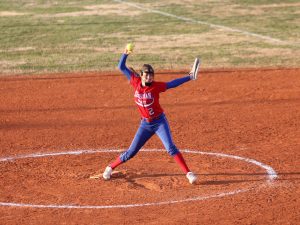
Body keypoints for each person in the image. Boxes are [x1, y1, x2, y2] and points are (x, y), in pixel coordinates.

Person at [102, 45, 198, 184]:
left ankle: (189, 174)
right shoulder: (135, 82)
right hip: (145, 125)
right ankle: (110, 168)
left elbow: (172, 84)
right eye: (147, 74)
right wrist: (125, 53)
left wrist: (189, 77)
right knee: (131, 152)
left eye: (151, 75)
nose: (149, 77)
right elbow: (121, 67)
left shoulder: (155, 86)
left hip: (159, 122)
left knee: (171, 148)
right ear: (141, 75)